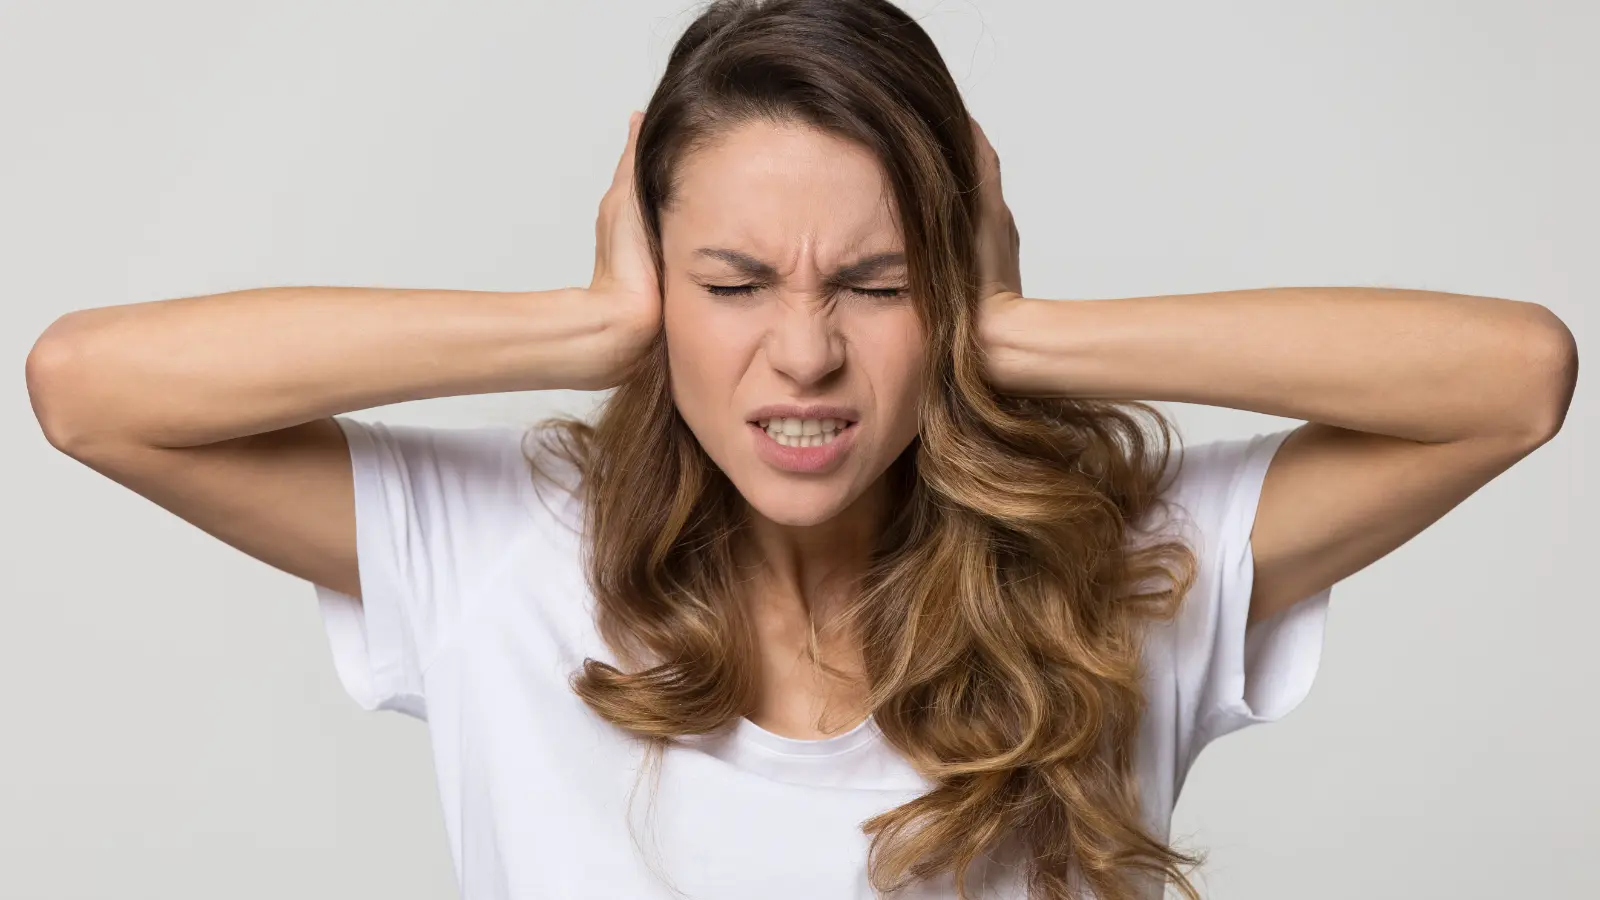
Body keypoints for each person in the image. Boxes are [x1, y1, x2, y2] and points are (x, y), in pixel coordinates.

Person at [23, 1, 1577, 898]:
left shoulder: (1102, 567)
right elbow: (91, 387)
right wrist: (581, 325)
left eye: (878, 282)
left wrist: (1012, 331)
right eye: (734, 283)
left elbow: (1513, 379)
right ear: (658, 291)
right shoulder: (504, 555)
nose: (808, 352)